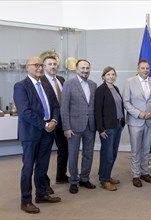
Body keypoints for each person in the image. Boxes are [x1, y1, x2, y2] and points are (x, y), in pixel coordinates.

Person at [14, 57, 61, 214]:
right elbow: (25, 112)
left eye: (41, 65)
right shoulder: (21, 86)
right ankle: (26, 201)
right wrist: (44, 124)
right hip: (31, 133)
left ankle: (41, 194)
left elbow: (55, 106)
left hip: (47, 132)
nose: (40, 68)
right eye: (36, 65)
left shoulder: (46, 86)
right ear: (27, 67)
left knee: (42, 166)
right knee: (28, 167)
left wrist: (53, 120)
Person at [61, 59, 97, 194]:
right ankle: (74, 181)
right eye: (82, 68)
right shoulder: (69, 84)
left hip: (90, 126)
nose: (85, 71)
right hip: (73, 126)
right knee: (73, 154)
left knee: (88, 154)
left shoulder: (93, 85)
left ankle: (84, 179)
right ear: (76, 69)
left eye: (87, 68)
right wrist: (66, 127)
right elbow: (64, 108)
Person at [122, 59, 151, 188]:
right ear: (138, 69)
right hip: (135, 121)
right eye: (143, 68)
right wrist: (139, 114)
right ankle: (135, 174)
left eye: (147, 68)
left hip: (150, 121)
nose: (145, 70)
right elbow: (126, 102)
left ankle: (145, 172)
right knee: (136, 149)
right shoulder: (130, 82)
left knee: (146, 148)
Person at [41, 56, 69, 192]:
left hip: (62, 120)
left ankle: (61, 175)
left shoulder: (61, 80)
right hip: (48, 122)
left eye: (54, 64)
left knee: (64, 149)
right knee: (44, 153)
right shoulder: (40, 81)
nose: (53, 66)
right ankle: (45, 184)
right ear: (44, 66)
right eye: (49, 64)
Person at [94, 66, 125, 191]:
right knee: (107, 154)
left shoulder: (116, 88)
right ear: (103, 77)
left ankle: (105, 175)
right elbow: (97, 111)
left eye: (113, 74)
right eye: (108, 75)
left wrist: (122, 122)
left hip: (117, 125)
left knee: (113, 153)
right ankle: (104, 180)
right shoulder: (101, 90)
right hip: (107, 128)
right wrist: (100, 129)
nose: (111, 76)